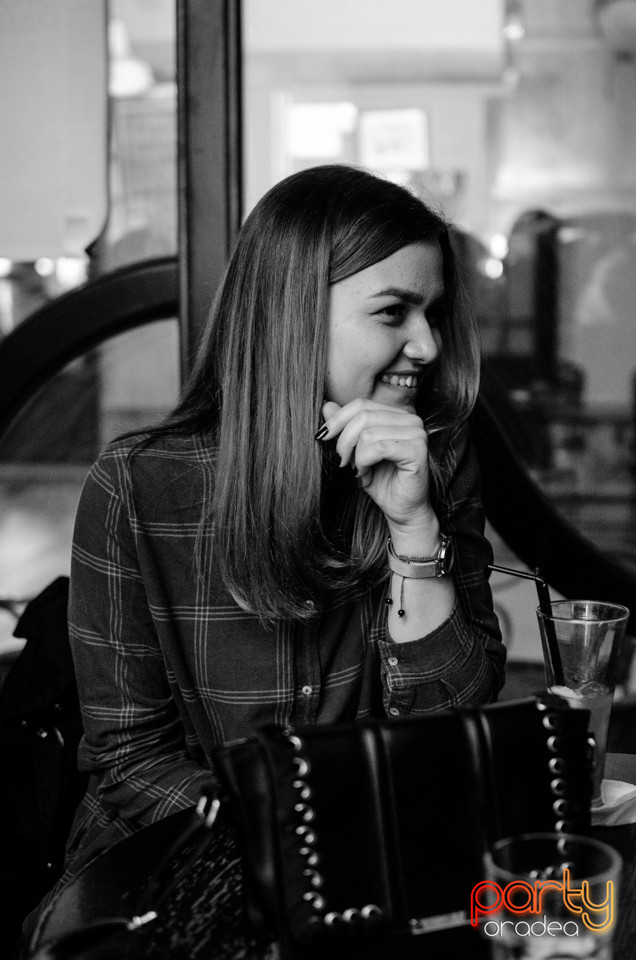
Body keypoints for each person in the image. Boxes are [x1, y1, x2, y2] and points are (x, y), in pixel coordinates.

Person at [49, 164, 506, 898]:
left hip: (368, 874)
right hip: (178, 872)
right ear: (295, 314)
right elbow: (130, 761)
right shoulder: (140, 484)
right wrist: (296, 837)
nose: (427, 345)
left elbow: (453, 720)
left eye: (435, 313)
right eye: (394, 312)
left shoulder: (437, 458)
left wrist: (413, 526)